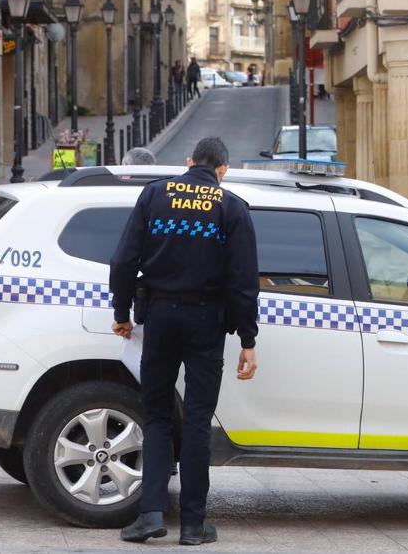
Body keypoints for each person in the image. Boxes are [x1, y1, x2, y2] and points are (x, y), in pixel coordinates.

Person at [109, 137, 260, 545]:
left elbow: (123, 261)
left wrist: (122, 315)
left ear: (190, 162)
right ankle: (193, 525)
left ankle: (151, 514)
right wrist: (248, 338)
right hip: (207, 321)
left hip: (159, 317)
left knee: (156, 415)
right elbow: (244, 282)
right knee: (197, 419)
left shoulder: (154, 195)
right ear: (222, 170)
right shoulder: (231, 207)